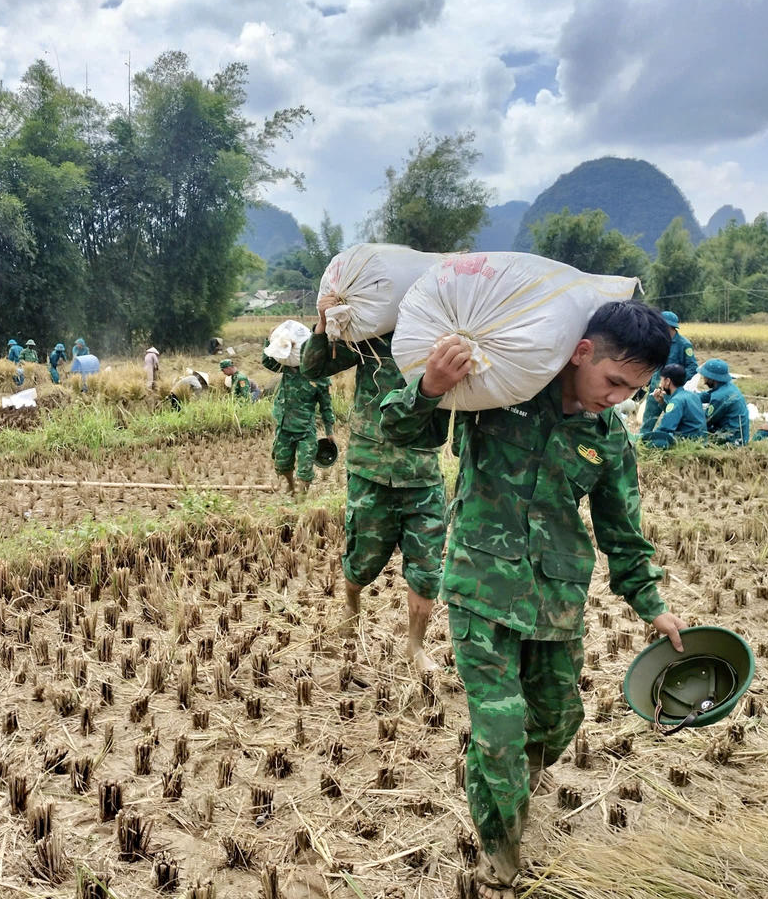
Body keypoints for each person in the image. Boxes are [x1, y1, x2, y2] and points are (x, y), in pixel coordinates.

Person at [379, 301, 686, 898]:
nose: (618, 397)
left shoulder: (608, 440)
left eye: (634, 390)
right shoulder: (499, 390)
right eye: (614, 381)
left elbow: (622, 532)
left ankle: (515, 779)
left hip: (556, 598)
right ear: (582, 351)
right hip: (480, 587)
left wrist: (651, 604)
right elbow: (402, 432)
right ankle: (500, 859)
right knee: (500, 728)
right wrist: (430, 386)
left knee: (558, 720)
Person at [299, 299, 446, 674]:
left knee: (427, 571)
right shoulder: (373, 335)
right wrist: (323, 322)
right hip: (372, 469)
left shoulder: (444, 337)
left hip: (423, 473)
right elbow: (312, 367)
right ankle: (351, 603)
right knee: (362, 560)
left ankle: (415, 646)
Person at [262, 351, 334, 495]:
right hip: (284, 427)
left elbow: (326, 406)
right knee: (282, 464)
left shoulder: (320, 378)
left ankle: (301, 497)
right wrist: (269, 340)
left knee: (305, 468)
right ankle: (290, 485)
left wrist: (329, 430)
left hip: (305, 429)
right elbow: (267, 361)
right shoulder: (287, 367)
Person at [639, 311, 696, 433]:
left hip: (672, 391)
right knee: (648, 420)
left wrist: (678, 381)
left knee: (672, 419)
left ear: (669, 327)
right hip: (656, 387)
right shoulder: (657, 342)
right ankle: (642, 442)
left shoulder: (684, 345)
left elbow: (692, 367)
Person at [640, 364, 706, 448]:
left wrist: (643, 441)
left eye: (661, 380)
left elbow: (664, 430)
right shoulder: (692, 395)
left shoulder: (676, 400)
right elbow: (676, 415)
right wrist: (661, 402)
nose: (660, 384)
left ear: (667, 381)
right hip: (699, 441)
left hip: (686, 443)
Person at [697, 358, 749, 445]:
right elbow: (707, 395)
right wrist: (688, 397)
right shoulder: (727, 387)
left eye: (705, 376)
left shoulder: (719, 397)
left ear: (712, 379)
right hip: (739, 433)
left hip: (733, 439)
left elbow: (706, 421)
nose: (704, 379)